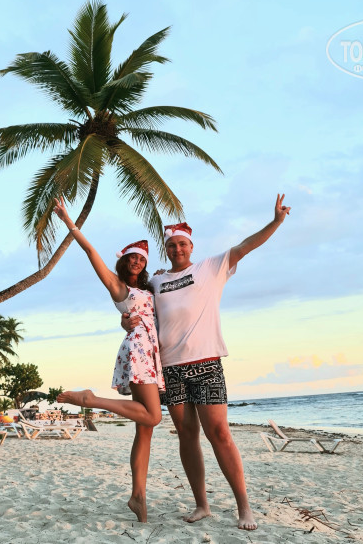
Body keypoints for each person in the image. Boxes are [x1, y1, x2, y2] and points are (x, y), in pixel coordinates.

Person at [122, 193, 291, 531]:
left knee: (219, 434)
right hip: (171, 369)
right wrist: (126, 322)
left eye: (182, 244)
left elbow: (246, 246)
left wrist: (275, 222)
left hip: (207, 364)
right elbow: (136, 306)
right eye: (172, 246)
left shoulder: (211, 268)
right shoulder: (156, 281)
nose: (177, 250)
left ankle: (244, 508)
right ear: (166, 250)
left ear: (191, 246)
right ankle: (202, 504)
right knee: (187, 435)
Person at [52, 198, 164, 523]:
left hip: (151, 354)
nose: (137, 262)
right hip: (139, 350)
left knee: (145, 429)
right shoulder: (119, 287)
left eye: (141, 259)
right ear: (124, 261)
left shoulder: (149, 287)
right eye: (132, 258)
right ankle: (91, 399)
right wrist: (69, 222)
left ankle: (138, 496)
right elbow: (91, 253)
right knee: (153, 417)